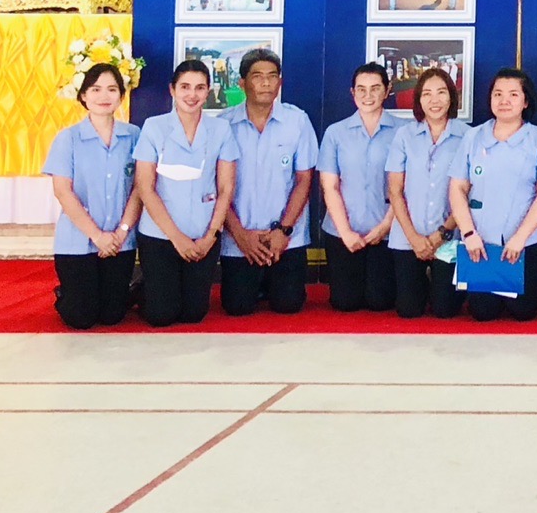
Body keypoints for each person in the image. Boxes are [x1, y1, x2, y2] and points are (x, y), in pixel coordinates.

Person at [133, 60, 237, 328]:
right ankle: (140, 291)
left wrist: (210, 236)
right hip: (161, 234)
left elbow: (225, 188)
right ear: (172, 90)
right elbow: (145, 187)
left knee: (193, 314)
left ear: (208, 91)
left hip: (203, 234)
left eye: (200, 88)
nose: (192, 95)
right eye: (185, 87)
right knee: (161, 315)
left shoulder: (221, 130)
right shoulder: (154, 127)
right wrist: (177, 238)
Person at [450, 69, 537, 322]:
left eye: (513, 94)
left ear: (525, 101)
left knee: (525, 312)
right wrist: (468, 234)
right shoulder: (473, 137)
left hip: (524, 243)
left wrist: (520, 238)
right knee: (482, 313)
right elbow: (457, 188)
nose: (504, 101)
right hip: (481, 242)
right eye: (498, 94)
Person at [218, 49, 317, 317]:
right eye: (257, 76)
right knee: (237, 308)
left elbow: (304, 181)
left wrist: (282, 231)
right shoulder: (222, 125)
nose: (265, 83)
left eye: (272, 77)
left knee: (288, 306)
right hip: (239, 238)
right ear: (242, 83)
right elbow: (217, 189)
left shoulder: (297, 121)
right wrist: (240, 234)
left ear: (280, 83)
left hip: (285, 238)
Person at [43, 64, 142, 330]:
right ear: (83, 95)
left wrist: (120, 233)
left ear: (121, 95)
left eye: (112, 89)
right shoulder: (68, 139)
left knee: (112, 315)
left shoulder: (134, 136)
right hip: (78, 242)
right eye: (95, 89)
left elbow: (139, 189)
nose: (104, 96)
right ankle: (66, 293)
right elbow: (63, 192)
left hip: (120, 242)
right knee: (81, 318)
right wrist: (97, 236)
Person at [387, 68, 469, 319]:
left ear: (452, 97)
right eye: (427, 94)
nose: (435, 100)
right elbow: (395, 191)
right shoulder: (404, 136)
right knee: (409, 310)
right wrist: (414, 238)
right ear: (419, 100)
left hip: (449, 235)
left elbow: (468, 194)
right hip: (408, 236)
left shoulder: (468, 136)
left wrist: (440, 235)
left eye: (441, 93)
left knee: (445, 310)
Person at [316, 63, 397, 313]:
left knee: (380, 303)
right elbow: (330, 187)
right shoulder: (335, 133)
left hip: (387, 232)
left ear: (387, 91)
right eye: (361, 89)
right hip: (342, 232)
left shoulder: (404, 132)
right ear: (352, 93)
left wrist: (384, 228)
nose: (368, 96)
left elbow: (405, 189)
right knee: (345, 304)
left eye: (375, 88)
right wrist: (346, 233)